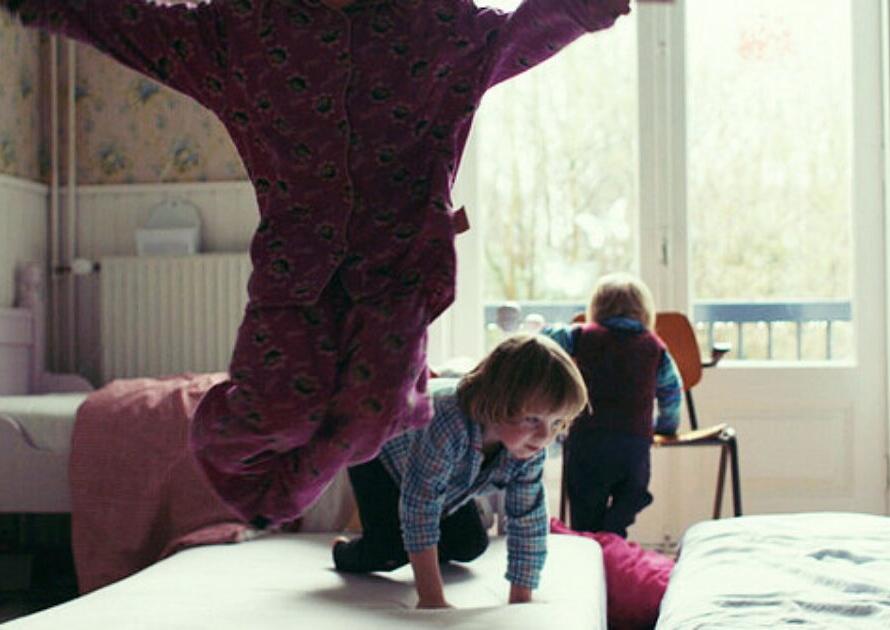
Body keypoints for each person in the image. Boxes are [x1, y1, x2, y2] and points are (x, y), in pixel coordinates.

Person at [0, 0, 632, 528]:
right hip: (295, 276)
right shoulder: (245, 32)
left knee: (374, 418)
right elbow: (134, 26)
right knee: (281, 413)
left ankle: (304, 485)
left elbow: (531, 26)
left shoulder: (440, 27)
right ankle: (267, 499)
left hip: (399, 278)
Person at [332, 333, 588, 608]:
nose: (545, 436)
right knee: (389, 549)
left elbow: (528, 519)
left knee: (471, 545)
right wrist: (432, 598)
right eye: (533, 419)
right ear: (498, 401)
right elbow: (420, 508)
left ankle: (425, 549)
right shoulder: (445, 421)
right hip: (378, 456)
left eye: (557, 422)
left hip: (441, 478)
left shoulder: (529, 446)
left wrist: (520, 600)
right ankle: (342, 551)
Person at [542, 272, 682, 537]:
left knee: (585, 509)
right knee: (632, 492)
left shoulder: (582, 336)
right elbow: (671, 391)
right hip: (634, 443)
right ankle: (615, 529)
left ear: (596, 307)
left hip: (587, 441)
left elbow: (544, 340)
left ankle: (592, 547)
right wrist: (666, 425)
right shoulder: (655, 347)